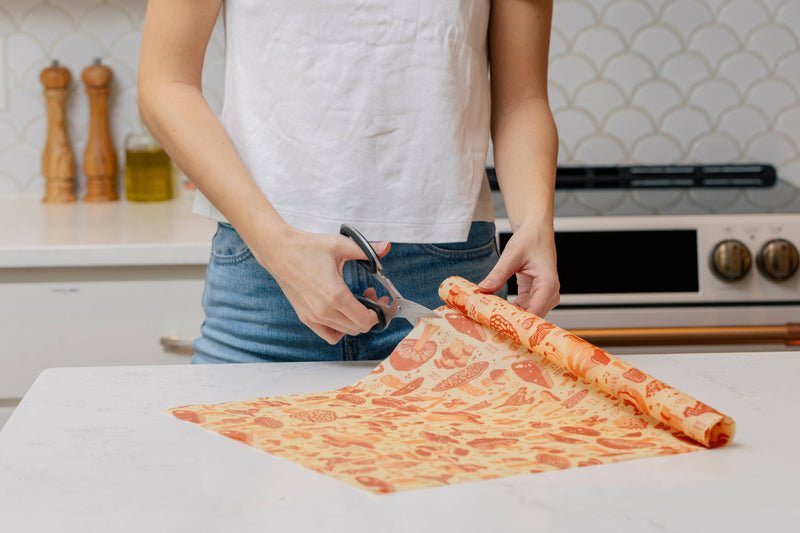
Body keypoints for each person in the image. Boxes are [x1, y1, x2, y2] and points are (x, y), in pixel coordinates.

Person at [138, 0, 560, 364]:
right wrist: (276, 247)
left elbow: (522, 99)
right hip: (265, 276)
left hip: (448, 281)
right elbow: (165, 84)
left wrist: (535, 220)